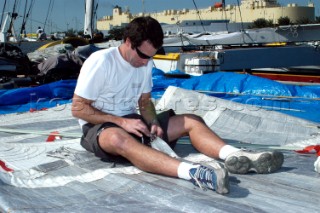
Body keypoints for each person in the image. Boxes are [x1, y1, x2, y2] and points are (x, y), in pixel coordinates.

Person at [71, 16, 284, 195]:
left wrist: (153, 121)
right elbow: (78, 108)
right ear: (128, 41)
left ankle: (236, 156)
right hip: (100, 128)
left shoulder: (145, 63)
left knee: (191, 121)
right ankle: (193, 172)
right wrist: (120, 122)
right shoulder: (101, 61)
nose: (146, 62)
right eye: (143, 55)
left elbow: (144, 102)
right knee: (118, 138)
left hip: (133, 123)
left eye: (151, 57)